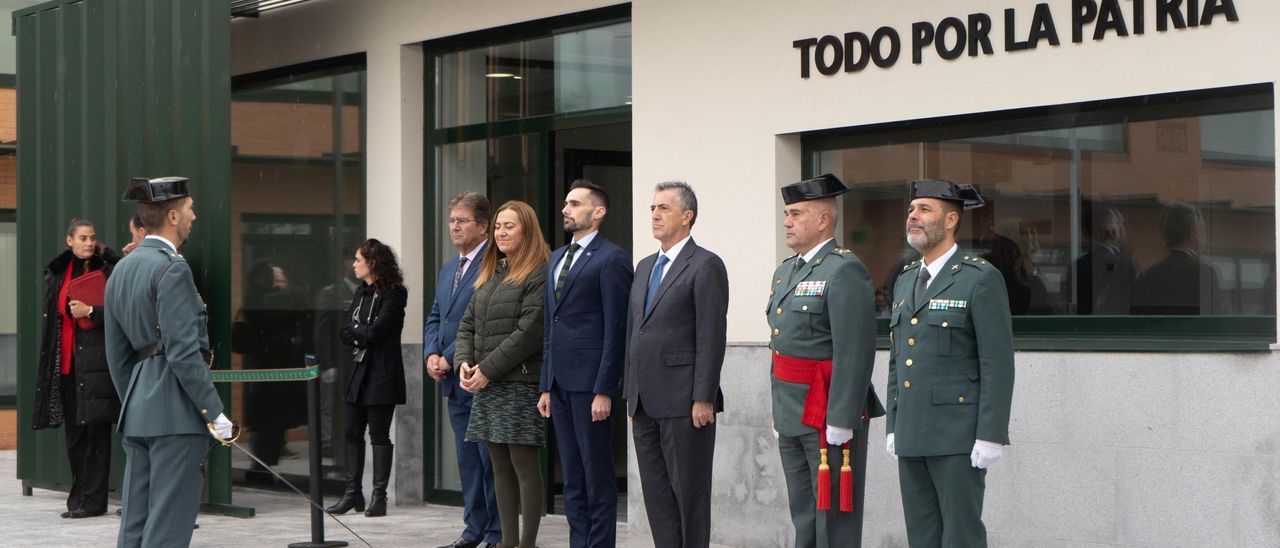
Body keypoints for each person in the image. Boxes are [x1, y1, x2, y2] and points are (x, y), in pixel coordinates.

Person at [104, 176, 232, 547]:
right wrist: (214, 413)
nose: (195, 215)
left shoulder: (120, 270)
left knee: (135, 525)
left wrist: (135, 399)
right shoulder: (173, 268)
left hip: (138, 412)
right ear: (173, 216)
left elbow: (117, 354)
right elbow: (183, 352)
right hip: (176, 415)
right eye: (190, 209)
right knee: (169, 528)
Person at [886, 179, 1015, 548]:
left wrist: (991, 433)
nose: (913, 216)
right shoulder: (905, 278)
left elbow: (997, 362)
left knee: (961, 535)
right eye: (911, 210)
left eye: (924, 209)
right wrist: (894, 424)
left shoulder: (979, 278)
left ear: (950, 220)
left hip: (957, 434)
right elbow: (898, 358)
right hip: (912, 430)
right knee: (922, 535)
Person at [766, 174, 883, 548]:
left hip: (826, 410)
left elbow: (856, 350)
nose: (786, 221)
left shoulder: (844, 269)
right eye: (786, 213)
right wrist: (778, 411)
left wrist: (842, 417)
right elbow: (781, 346)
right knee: (803, 509)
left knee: (832, 515)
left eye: (796, 213)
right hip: (791, 410)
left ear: (822, 220)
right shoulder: (785, 271)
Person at [624, 181, 728, 548]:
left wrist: (703, 396)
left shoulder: (705, 265)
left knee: (689, 496)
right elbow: (635, 333)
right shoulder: (645, 266)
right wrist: (630, 393)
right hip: (644, 403)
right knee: (657, 497)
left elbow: (711, 335)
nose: (654, 214)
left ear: (687, 216)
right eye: (652, 208)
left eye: (663, 208)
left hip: (685, 402)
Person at [537, 180, 633, 548]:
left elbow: (616, 328)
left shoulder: (613, 259)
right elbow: (551, 325)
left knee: (597, 477)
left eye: (575, 204)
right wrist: (546, 383)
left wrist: (605, 389)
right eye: (566, 203)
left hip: (591, 386)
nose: (566, 209)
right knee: (573, 479)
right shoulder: (557, 258)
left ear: (598, 212)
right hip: (560, 385)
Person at [455, 200, 550, 548]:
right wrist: (463, 363)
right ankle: (508, 542)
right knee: (498, 465)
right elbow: (466, 326)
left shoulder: (539, 271)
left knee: (524, 464)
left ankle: (527, 544)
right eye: (497, 226)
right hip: (488, 383)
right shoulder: (490, 273)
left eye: (509, 226)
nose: (501, 232)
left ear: (527, 230)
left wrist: (487, 371)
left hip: (519, 383)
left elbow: (529, 332)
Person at [426, 193, 501, 548]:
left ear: (483, 226)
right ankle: (473, 530)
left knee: (490, 462)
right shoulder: (447, 268)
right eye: (451, 220)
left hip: (480, 377)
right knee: (467, 461)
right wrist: (431, 354)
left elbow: (482, 322)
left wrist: (449, 356)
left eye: (462, 220)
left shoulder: (494, 264)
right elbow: (436, 316)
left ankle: (497, 533)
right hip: (452, 382)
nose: (454, 226)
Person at [33, 218, 121, 519]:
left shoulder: (106, 269)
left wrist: (91, 311)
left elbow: (123, 311)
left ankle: (94, 502)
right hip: (68, 367)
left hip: (97, 368)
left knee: (97, 436)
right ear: (69, 239)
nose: (88, 243)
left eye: (92, 238)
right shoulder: (58, 273)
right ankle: (78, 497)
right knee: (75, 437)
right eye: (82, 237)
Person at [329, 239, 408, 517]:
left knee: (378, 434)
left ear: (373, 263)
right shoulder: (361, 292)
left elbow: (377, 332)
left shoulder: (395, 293)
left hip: (383, 372)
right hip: (360, 370)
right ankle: (352, 494)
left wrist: (359, 330)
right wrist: (362, 329)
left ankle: (379, 496)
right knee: (351, 431)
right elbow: (345, 331)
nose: (353, 264)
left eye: (358, 260)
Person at [1131, 201, 1228, 315]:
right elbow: (1215, 322)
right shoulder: (1204, 273)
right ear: (1194, 232)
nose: (1204, 237)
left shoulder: (1148, 275)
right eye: (1203, 230)